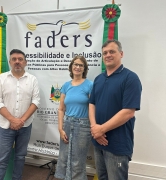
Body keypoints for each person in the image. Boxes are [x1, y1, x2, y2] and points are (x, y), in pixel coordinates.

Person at [89, 39, 142, 180]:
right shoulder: (98, 79)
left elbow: (129, 112)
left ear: (121, 54)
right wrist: (95, 128)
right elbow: (92, 103)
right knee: (102, 177)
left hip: (118, 144)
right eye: (105, 52)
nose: (108, 55)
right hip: (98, 141)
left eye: (112, 51)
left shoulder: (130, 78)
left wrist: (101, 129)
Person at [0, 49, 40, 180]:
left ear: (25, 62)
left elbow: (36, 101)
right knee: (2, 159)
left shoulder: (32, 79)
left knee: (20, 156)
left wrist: (21, 120)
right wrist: (12, 120)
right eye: (14, 59)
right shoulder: (1, 79)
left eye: (20, 59)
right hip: (5, 127)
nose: (17, 62)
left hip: (25, 127)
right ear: (10, 62)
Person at [54, 55, 93, 180]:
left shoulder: (90, 85)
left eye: (81, 65)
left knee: (78, 161)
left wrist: (93, 126)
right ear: (71, 67)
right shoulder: (66, 85)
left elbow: (93, 108)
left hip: (83, 126)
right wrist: (60, 129)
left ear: (84, 68)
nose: (77, 67)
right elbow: (61, 109)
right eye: (75, 64)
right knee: (63, 158)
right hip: (67, 124)